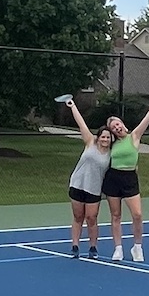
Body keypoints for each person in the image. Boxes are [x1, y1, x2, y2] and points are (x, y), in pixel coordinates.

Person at [102, 91, 149, 262]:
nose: (116, 128)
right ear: (112, 132)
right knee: (116, 215)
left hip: (130, 179)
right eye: (113, 128)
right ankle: (118, 249)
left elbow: (148, 116)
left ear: (122, 124)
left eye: (117, 124)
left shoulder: (134, 136)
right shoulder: (111, 144)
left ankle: (137, 247)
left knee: (137, 214)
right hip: (113, 179)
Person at [63, 97, 113, 259]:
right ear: (98, 137)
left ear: (111, 139)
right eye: (103, 136)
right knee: (78, 217)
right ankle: (75, 246)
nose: (105, 139)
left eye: (108, 137)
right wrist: (72, 106)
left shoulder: (112, 154)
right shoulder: (90, 142)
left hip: (94, 189)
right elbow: (81, 123)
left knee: (91, 218)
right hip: (77, 185)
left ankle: (93, 247)